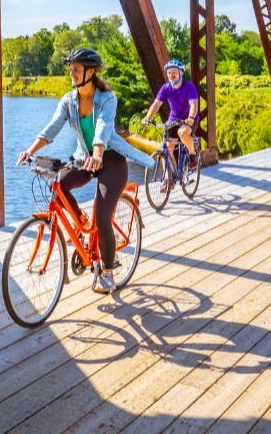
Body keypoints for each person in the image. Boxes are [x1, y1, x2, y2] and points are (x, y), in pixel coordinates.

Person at [16, 48, 135, 294]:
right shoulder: (69, 100)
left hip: (110, 161)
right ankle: (81, 222)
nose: (71, 74)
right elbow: (51, 128)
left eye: (76, 70)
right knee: (58, 183)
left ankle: (108, 271)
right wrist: (30, 150)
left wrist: (99, 153)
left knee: (102, 215)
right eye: (70, 70)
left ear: (90, 72)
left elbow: (102, 128)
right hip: (85, 159)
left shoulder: (107, 99)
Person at [140, 59, 201, 193]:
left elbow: (194, 104)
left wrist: (190, 118)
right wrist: (148, 117)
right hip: (173, 119)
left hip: (189, 119)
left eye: (174, 72)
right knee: (167, 148)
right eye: (169, 73)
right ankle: (169, 179)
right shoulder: (166, 88)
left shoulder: (189, 86)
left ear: (180, 73)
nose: (171, 75)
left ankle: (192, 154)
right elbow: (156, 104)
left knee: (183, 133)